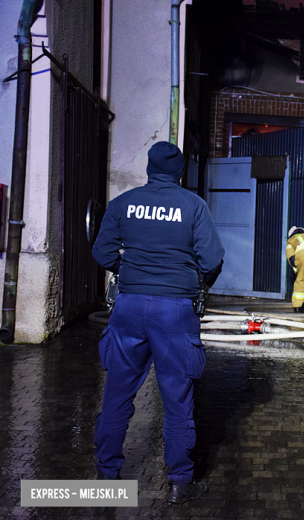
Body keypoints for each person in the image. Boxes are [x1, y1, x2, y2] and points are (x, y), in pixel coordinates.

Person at [91, 141, 225, 503]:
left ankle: (107, 475)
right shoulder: (193, 206)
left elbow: (102, 252)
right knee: (177, 398)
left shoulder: (123, 203)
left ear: (148, 168)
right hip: (175, 312)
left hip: (129, 307)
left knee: (118, 391)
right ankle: (180, 481)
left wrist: (130, 271)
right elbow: (212, 258)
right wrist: (188, 278)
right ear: (179, 172)